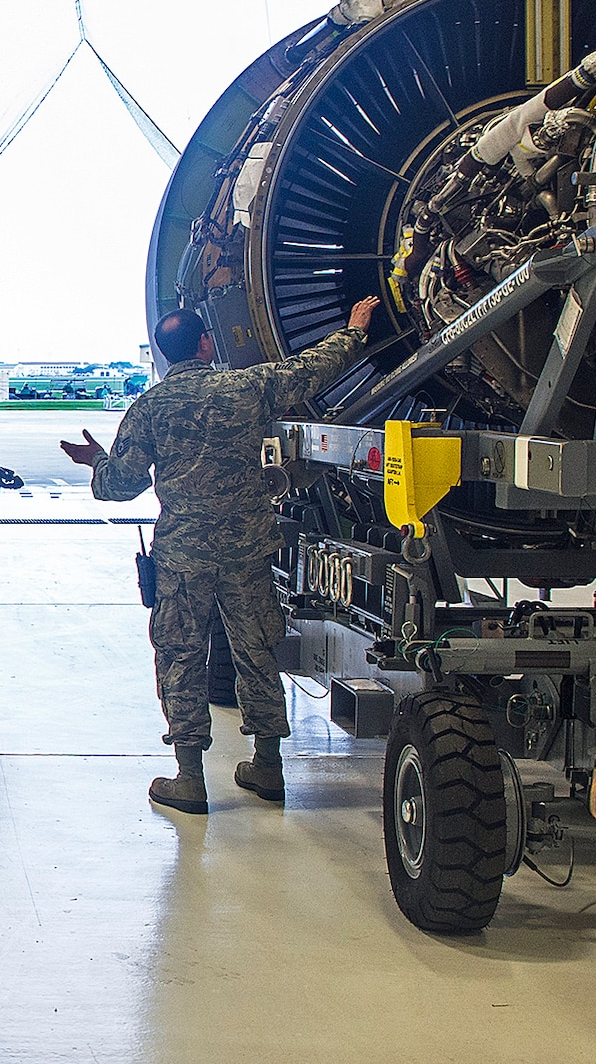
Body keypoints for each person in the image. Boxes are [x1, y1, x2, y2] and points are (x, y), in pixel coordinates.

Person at [62, 297, 378, 814]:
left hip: (183, 558)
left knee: (182, 656)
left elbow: (120, 485)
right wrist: (354, 332)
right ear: (206, 343)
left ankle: (189, 777)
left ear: (164, 355)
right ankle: (268, 767)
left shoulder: (150, 407)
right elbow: (310, 371)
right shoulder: (245, 388)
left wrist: (95, 459)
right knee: (256, 652)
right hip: (247, 551)